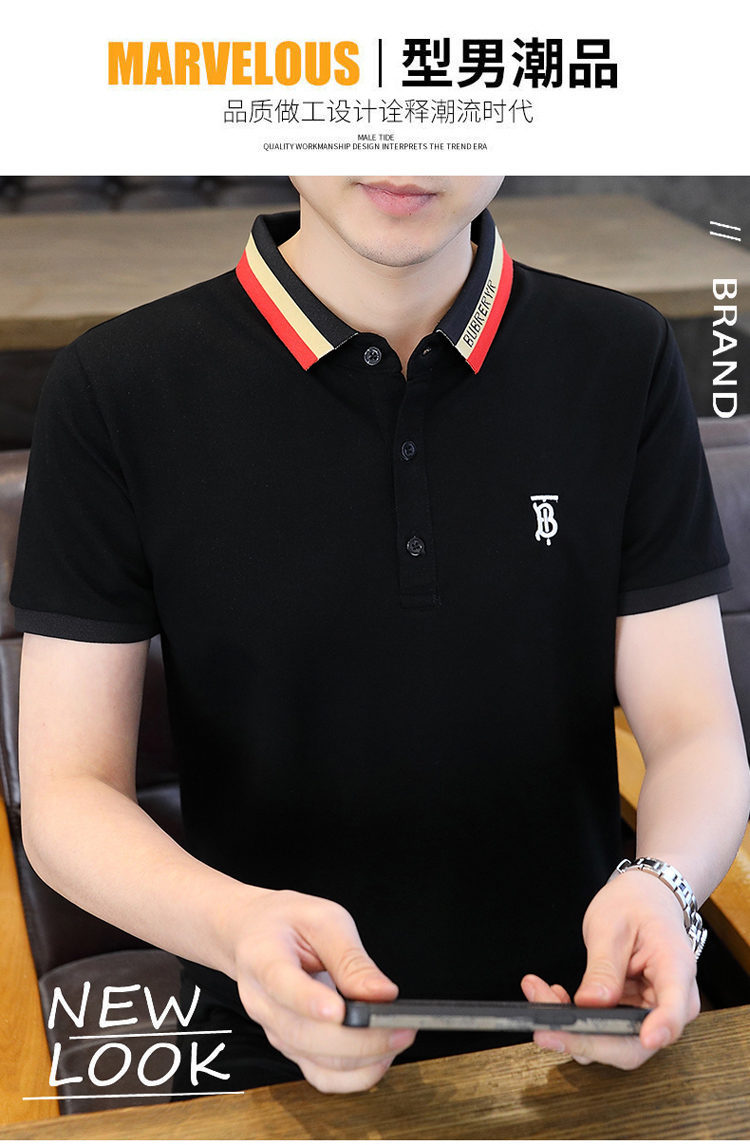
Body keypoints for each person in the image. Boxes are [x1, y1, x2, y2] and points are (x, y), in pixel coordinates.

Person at [11, 176, 750, 1095]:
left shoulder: (620, 351)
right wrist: (235, 930)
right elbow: (67, 794)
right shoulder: (115, 384)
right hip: (262, 1041)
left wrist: (664, 885)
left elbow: (694, 732)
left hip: (589, 1019)